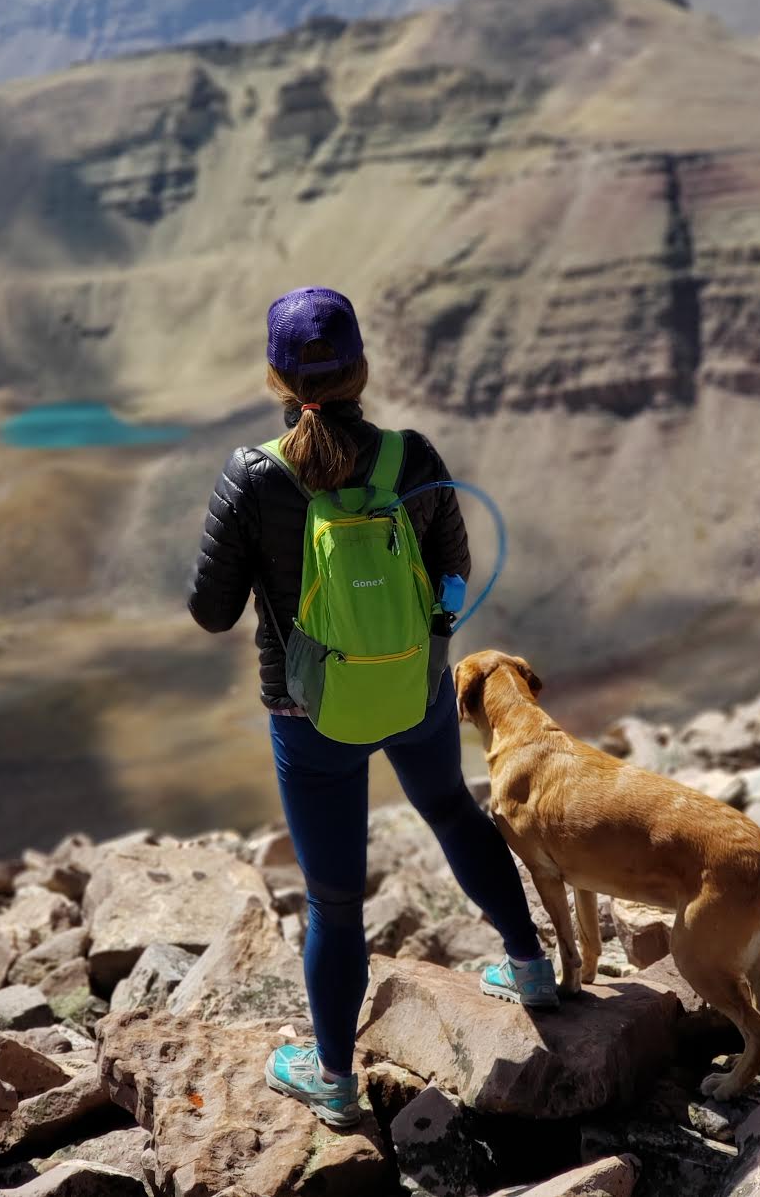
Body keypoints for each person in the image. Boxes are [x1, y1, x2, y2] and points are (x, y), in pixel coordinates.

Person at [187, 286, 557, 1129]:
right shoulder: (411, 456)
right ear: (362, 369)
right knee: (454, 815)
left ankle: (333, 1079)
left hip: (305, 713)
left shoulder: (252, 477)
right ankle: (530, 967)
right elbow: (452, 578)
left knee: (334, 900)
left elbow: (211, 611)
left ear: (276, 376)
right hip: (416, 691)